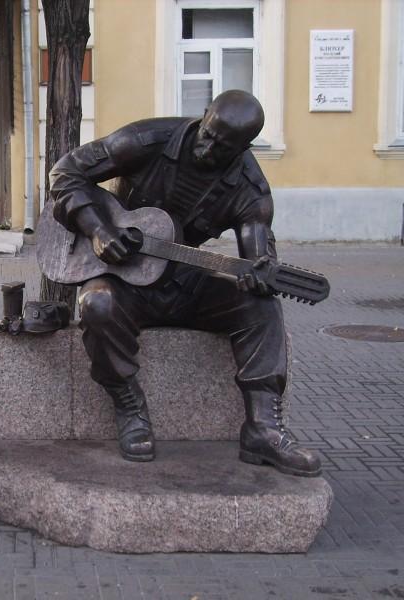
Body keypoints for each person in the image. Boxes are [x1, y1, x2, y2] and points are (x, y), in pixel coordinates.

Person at [48, 89, 321, 477]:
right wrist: (98, 229)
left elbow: (256, 250)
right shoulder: (144, 140)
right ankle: (129, 406)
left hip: (182, 281)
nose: (208, 148)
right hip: (122, 278)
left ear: (244, 147)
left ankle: (262, 427)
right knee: (96, 304)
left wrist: (262, 271)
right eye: (208, 133)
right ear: (204, 113)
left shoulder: (251, 188)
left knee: (260, 307)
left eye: (223, 146)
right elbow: (64, 172)